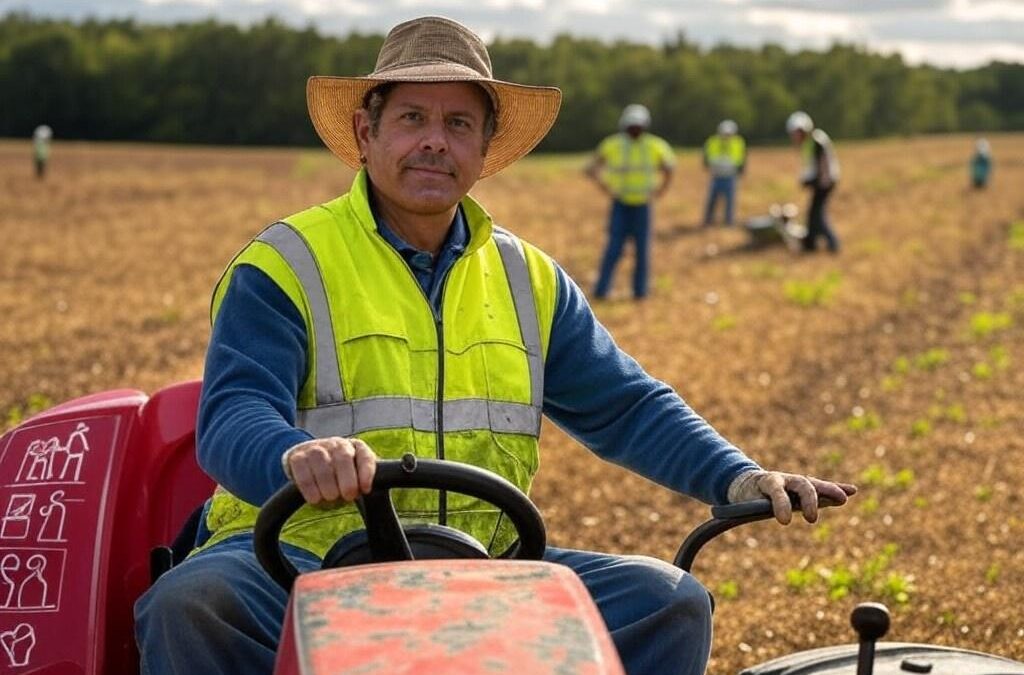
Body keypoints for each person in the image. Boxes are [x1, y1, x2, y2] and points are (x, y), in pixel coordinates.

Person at [135, 17, 856, 675]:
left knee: (668, 600)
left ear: (484, 150)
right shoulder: (286, 262)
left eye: (458, 123)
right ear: (366, 132)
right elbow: (232, 416)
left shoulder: (528, 277)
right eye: (413, 117)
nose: (434, 141)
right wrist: (297, 456)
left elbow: (628, 406)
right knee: (194, 602)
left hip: (485, 566)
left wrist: (739, 477)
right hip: (301, 561)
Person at [586, 103, 675, 300]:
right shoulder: (612, 144)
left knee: (642, 251)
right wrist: (606, 188)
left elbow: (669, 167)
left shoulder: (655, 145)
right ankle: (602, 290)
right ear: (624, 126)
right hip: (621, 204)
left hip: (643, 205)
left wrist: (660, 191)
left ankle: (640, 292)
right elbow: (591, 168)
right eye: (631, 126)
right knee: (614, 248)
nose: (635, 130)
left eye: (638, 126)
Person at [786, 111, 840, 253]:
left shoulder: (817, 142)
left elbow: (822, 166)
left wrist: (813, 181)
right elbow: (810, 166)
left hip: (825, 183)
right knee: (813, 214)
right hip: (820, 182)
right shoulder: (809, 143)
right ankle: (811, 244)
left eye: (796, 133)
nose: (794, 137)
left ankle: (833, 243)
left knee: (817, 215)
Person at [702, 119, 746, 226]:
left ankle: (729, 222)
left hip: (730, 175)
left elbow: (742, 158)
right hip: (716, 175)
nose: (726, 136)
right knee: (712, 200)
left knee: (730, 201)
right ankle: (708, 221)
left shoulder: (738, 142)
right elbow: (706, 155)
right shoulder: (712, 141)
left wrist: (741, 170)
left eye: (729, 134)